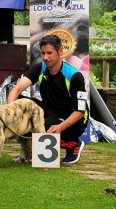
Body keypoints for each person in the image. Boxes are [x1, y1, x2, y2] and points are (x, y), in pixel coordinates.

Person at [7, 34, 88, 164]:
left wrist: (61, 127)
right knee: (20, 103)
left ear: (60, 51)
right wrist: (10, 112)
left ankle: (73, 144)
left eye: (50, 53)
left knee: (43, 126)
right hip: (50, 110)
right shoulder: (39, 68)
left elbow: (80, 112)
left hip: (72, 118)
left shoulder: (74, 76)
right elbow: (16, 90)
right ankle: (28, 152)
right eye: (43, 53)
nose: (45, 57)